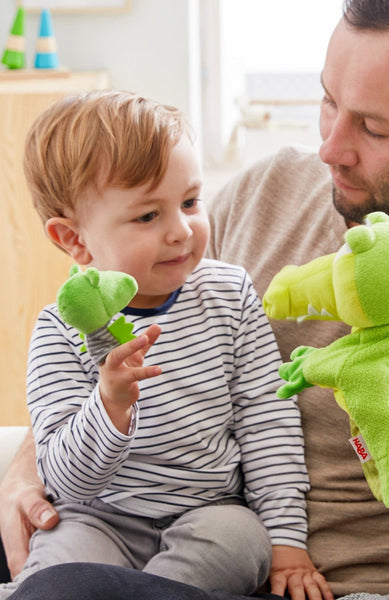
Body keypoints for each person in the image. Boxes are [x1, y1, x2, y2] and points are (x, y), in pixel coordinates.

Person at [1, 0, 389, 598]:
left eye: (372, 127)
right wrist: (28, 465)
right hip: (122, 523)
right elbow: (129, 341)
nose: (329, 149)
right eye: (329, 102)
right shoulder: (271, 189)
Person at [0, 90, 332, 600]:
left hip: (209, 511)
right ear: (74, 239)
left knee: (242, 540)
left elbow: (268, 419)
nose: (182, 231)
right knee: (55, 572)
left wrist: (287, 540)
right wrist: (109, 406)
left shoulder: (231, 294)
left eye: (190, 202)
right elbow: (67, 481)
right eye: (147, 217)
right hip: (99, 517)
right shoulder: (57, 331)